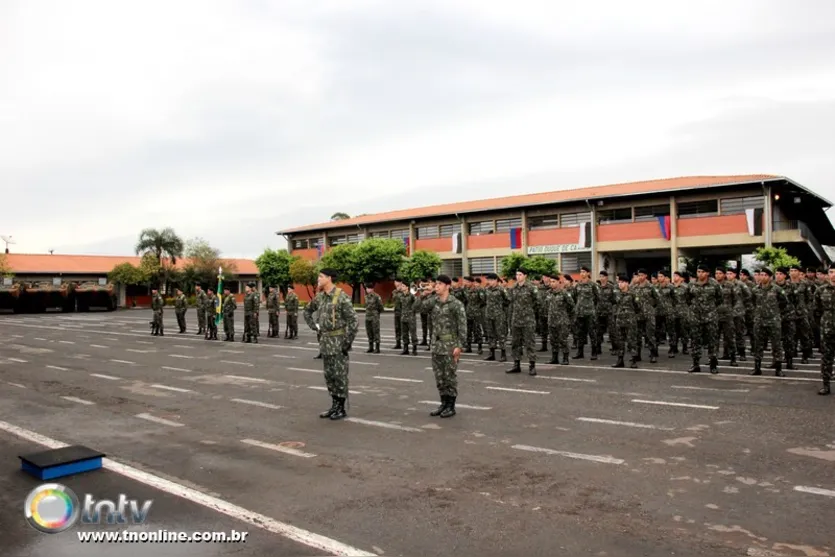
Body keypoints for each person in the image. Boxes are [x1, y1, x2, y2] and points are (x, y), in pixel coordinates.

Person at [303, 268, 358, 420]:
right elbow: (307, 311)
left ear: (329, 278)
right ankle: (334, 405)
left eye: (320, 277)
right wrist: (315, 327)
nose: (318, 279)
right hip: (325, 343)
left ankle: (341, 407)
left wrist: (347, 342)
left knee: (340, 376)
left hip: (338, 342)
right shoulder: (320, 297)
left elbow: (353, 320)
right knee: (330, 376)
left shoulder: (341, 297)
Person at [426, 275, 467, 418]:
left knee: (450, 377)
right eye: (435, 284)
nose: (436, 286)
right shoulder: (433, 302)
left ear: (447, 286)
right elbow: (417, 308)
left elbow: (462, 326)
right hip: (436, 345)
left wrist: (459, 346)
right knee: (439, 377)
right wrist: (423, 294)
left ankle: (451, 405)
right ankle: (443, 403)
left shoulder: (456, 304)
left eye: (439, 284)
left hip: (450, 345)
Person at [751, 267, 787, 377]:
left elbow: (784, 302)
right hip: (759, 321)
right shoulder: (755, 289)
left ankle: (778, 369)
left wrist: (774, 313)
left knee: (776, 345)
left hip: (773, 321)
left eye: (765, 275)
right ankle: (757, 368)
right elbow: (753, 302)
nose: (762, 277)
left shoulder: (777, 289)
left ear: (770, 277)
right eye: (761, 275)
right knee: (758, 345)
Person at [688, 264, 722, 374]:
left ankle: (713, 364)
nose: (700, 274)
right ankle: (695, 364)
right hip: (696, 317)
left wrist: (710, 309)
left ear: (707, 273)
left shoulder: (714, 284)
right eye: (698, 272)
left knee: (712, 341)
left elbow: (719, 298)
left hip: (710, 317)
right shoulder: (692, 284)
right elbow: (688, 298)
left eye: (702, 272)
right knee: (695, 341)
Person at [507, 269, 538, 376]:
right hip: (516, 320)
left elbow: (537, 302)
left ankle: (532, 366)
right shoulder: (513, 288)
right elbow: (510, 302)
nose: (518, 277)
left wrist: (529, 312)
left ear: (525, 276)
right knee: (516, 343)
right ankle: (516, 365)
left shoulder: (531, 288)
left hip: (528, 320)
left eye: (520, 275)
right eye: (517, 275)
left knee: (530, 343)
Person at [814, 263, 835, 395]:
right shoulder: (820, 290)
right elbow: (816, 311)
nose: (834, 275)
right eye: (831, 272)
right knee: (826, 358)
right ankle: (826, 385)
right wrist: (823, 323)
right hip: (827, 329)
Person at [612, 273, 640, 368]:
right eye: (619, 282)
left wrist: (631, 314)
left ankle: (634, 360)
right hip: (619, 320)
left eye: (622, 282)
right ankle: (620, 360)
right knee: (620, 341)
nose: (620, 284)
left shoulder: (633, 294)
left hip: (630, 321)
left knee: (631, 341)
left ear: (627, 283)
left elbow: (638, 306)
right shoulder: (616, 294)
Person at [547, 273, 574, 365]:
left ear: (559, 282)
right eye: (550, 282)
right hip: (551, 321)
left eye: (553, 281)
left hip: (562, 321)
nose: (551, 283)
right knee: (553, 340)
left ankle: (565, 358)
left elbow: (571, 306)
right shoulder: (548, 293)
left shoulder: (564, 293)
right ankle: (554, 358)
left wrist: (567, 317)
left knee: (563, 340)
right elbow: (546, 305)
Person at [483, 273, 509, 362]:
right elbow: (484, 300)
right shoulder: (486, 289)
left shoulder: (501, 289)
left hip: (499, 315)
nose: (489, 282)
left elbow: (508, 300)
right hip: (489, 315)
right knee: (490, 334)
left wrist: (500, 308)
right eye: (488, 280)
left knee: (500, 334)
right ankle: (491, 354)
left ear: (495, 280)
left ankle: (503, 354)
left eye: (490, 280)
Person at [364, 283, 383, 353]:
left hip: (374, 316)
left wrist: (376, 314)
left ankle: (377, 348)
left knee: (376, 332)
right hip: (368, 316)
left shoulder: (376, 296)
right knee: (369, 332)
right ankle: (370, 347)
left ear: (372, 289)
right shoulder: (366, 297)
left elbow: (381, 307)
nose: (367, 290)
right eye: (366, 288)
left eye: (368, 288)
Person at [391, 281, 403, 350]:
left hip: (403, 312)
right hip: (397, 312)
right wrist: (398, 291)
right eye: (395, 283)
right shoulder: (394, 292)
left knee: (403, 329)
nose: (396, 284)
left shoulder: (404, 291)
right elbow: (393, 298)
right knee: (397, 328)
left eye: (397, 283)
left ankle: (405, 344)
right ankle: (398, 343)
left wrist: (401, 290)